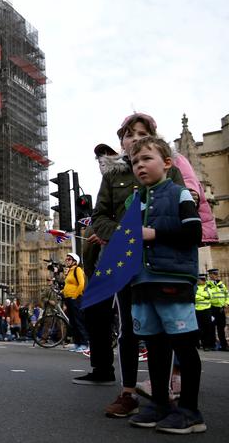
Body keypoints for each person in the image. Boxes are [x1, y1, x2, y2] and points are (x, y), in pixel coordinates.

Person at [76, 113, 187, 420]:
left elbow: (181, 206)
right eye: (129, 134)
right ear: (121, 143)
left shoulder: (169, 170)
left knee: (160, 326)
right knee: (129, 327)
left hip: (159, 257)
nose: (135, 138)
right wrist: (124, 237)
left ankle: (162, 395)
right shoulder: (113, 176)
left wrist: (153, 233)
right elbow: (99, 216)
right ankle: (127, 393)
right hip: (124, 257)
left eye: (142, 133)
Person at [123, 136, 205, 433]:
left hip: (172, 278)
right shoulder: (134, 200)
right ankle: (159, 403)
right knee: (155, 346)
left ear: (167, 164)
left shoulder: (179, 194)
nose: (140, 166)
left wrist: (153, 233)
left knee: (183, 346)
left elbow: (193, 233)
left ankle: (191, 411)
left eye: (146, 159)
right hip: (142, 281)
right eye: (134, 162)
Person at [62, 253, 88, 352]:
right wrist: (62, 292)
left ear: (74, 261)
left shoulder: (77, 270)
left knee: (78, 321)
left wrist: (75, 295)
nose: (67, 261)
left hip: (76, 299)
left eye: (69, 259)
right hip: (69, 299)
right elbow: (67, 286)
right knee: (72, 322)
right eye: (66, 259)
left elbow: (81, 284)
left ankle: (84, 343)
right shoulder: (69, 272)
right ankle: (77, 343)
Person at [206, 268, 227, 351]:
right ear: (210, 275)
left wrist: (226, 303)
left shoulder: (222, 285)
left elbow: (227, 295)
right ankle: (212, 345)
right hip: (212, 309)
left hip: (221, 309)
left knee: (221, 328)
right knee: (211, 328)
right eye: (214, 274)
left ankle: (223, 346)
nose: (216, 276)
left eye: (216, 274)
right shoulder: (207, 285)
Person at [193, 274, 214, 350]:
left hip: (206, 310)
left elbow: (210, 296)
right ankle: (199, 343)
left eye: (203, 280)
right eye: (201, 280)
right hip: (197, 310)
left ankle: (206, 345)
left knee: (207, 328)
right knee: (199, 328)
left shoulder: (207, 287)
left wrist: (199, 296)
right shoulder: (195, 287)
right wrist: (203, 296)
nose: (202, 281)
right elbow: (194, 296)